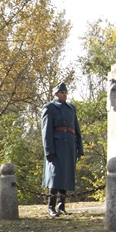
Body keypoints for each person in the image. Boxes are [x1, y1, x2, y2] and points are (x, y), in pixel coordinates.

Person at [41, 83, 83, 217]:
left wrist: (79, 147)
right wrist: (49, 150)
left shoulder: (71, 108)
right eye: (61, 92)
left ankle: (61, 206)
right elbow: (46, 131)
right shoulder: (49, 108)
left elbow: (76, 128)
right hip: (56, 145)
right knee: (55, 176)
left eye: (65, 92)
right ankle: (51, 207)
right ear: (56, 94)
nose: (64, 94)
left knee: (66, 176)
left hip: (69, 146)